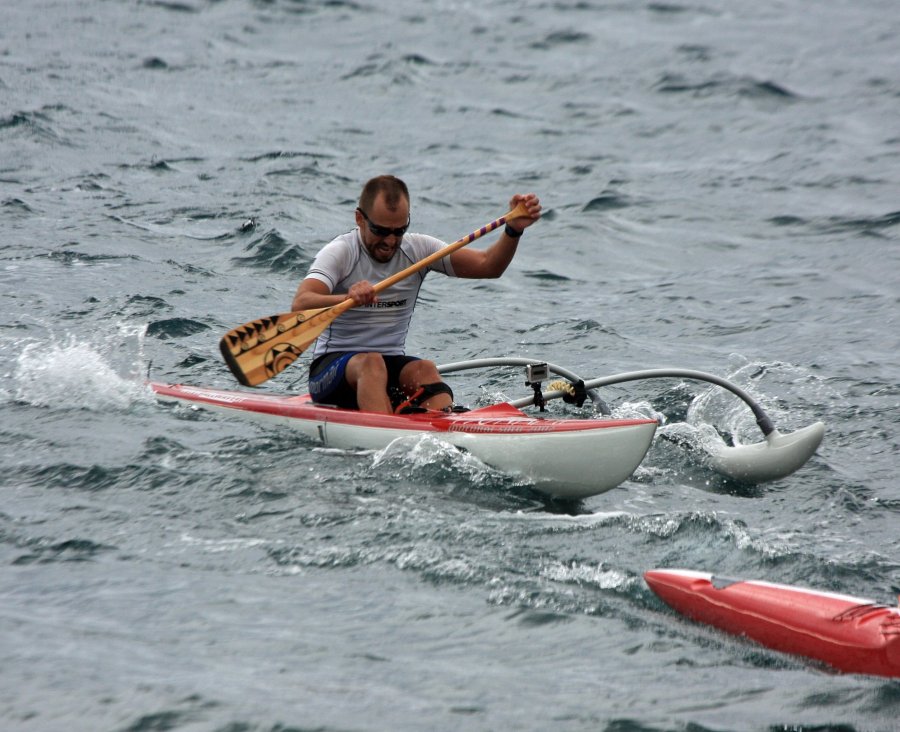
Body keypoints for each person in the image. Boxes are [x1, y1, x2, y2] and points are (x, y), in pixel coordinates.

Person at [291, 175, 541, 414]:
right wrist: (346, 299)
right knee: (371, 363)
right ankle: (385, 437)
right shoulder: (341, 252)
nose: (390, 240)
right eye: (380, 231)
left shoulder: (420, 250)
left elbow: (489, 266)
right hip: (332, 374)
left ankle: (446, 431)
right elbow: (300, 304)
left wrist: (513, 231)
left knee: (425, 370)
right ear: (360, 219)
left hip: (387, 370)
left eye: (399, 231)